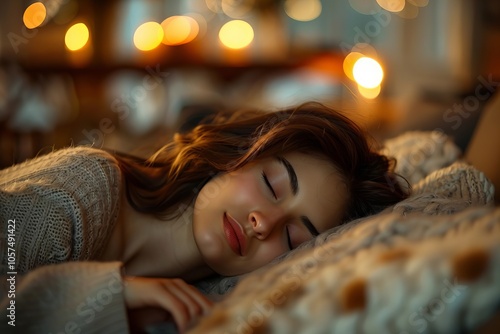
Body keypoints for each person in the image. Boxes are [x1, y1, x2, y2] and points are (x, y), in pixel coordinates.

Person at [0, 102, 409, 333]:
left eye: (293, 237)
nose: (263, 224)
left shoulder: (220, 297)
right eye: (271, 184)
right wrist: (109, 293)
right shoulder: (82, 187)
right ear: (236, 156)